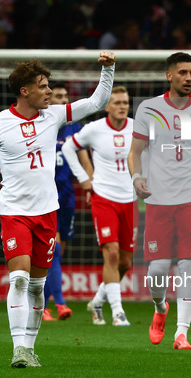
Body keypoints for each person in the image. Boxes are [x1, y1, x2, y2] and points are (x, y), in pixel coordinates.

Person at [0, 51, 116, 368]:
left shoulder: (53, 116)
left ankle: (30, 347)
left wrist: (108, 69)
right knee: (19, 280)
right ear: (25, 90)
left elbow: (96, 102)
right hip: (13, 212)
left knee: (38, 287)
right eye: (42, 86)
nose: (49, 91)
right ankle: (18, 350)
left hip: (47, 212)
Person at [129, 52, 191, 349]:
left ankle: (182, 333)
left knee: (188, 264)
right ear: (169, 76)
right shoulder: (149, 108)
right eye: (182, 72)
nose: (189, 77)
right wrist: (136, 177)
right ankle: (160, 309)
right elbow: (136, 151)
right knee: (157, 270)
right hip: (158, 199)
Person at [62, 86, 136, 326]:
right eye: (117, 103)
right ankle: (117, 312)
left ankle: (97, 301)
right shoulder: (94, 129)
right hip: (103, 197)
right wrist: (83, 178)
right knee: (111, 254)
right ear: (107, 106)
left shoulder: (138, 128)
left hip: (130, 200)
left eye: (125, 102)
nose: (122, 106)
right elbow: (67, 148)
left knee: (125, 263)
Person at [41, 84, 91, 322]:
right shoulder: (43, 125)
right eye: (57, 97)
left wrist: (91, 185)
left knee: (59, 253)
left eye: (65, 97)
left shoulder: (74, 128)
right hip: (46, 196)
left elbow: (84, 159)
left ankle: (43, 306)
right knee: (55, 250)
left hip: (68, 196)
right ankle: (59, 303)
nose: (63, 100)